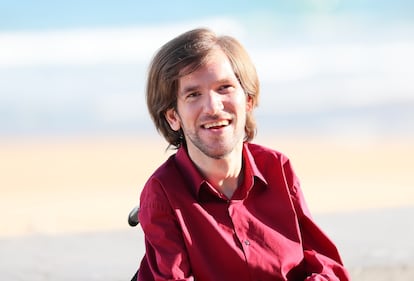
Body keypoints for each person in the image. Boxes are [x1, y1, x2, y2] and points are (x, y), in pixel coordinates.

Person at [135, 28, 350, 281]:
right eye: (194, 94)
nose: (213, 107)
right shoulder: (162, 193)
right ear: (173, 116)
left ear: (247, 100)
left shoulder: (277, 167)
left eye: (224, 88)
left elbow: (325, 266)